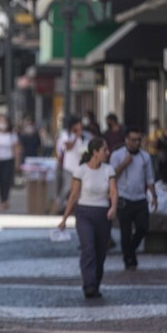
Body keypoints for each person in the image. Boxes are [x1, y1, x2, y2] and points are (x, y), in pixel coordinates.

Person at [58, 137, 117, 298]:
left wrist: (113, 207)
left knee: (100, 251)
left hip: (103, 214)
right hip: (84, 213)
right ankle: (89, 285)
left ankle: (96, 283)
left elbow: (113, 191)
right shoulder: (81, 171)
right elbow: (73, 195)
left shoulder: (108, 169)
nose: (107, 152)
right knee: (88, 248)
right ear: (95, 152)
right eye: (104, 149)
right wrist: (64, 218)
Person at [110, 127, 155, 270]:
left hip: (140, 198)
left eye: (138, 140)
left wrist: (154, 195)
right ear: (126, 140)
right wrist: (124, 164)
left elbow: (149, 178)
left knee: (143, 227)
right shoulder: (117, 155)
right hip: (124, 197)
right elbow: (111, 176)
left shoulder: (145, 157)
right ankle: (128, 259)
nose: (136, 143)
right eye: (133, 140)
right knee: (125, 231)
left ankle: (130, 251)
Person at [55, 115, 88, 215]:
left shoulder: (84, 136)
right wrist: (75, 137)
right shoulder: (66, 134)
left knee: (78, 189)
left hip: (80, 166)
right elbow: (68, 147)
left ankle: (75, 207)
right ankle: (59, 206)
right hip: (69, 166)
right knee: (67, 188)